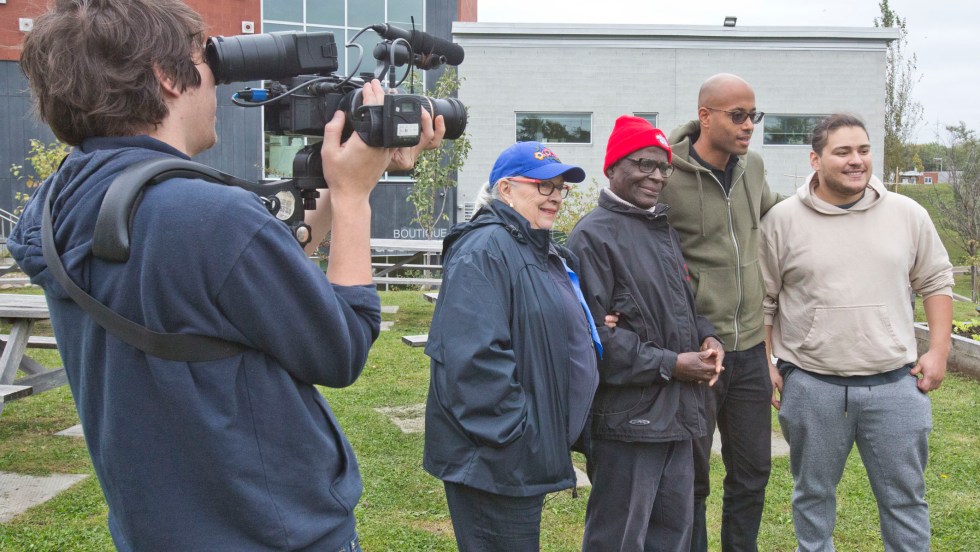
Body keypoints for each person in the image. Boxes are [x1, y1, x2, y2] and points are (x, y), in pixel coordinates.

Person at [9, 1, 443, 550]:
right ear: (167, 76)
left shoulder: (58, 205)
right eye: (205, 61)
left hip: (160, 526)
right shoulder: (207, 216)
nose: (214, 80)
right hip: (268, 530)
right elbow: (341, 347)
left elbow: (234, 280)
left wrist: (340, 182)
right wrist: (354, 199)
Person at [761, 113, 953, 552]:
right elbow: (764, 301)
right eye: (843, 151)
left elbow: (937, 282)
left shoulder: (908, 214)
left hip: (896, 385)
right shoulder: (782, 221)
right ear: (816, 158)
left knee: (905, 500)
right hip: (812, 385)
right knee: (812, 497)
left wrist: (939, 351)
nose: (856, 160)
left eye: (863, 150)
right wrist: (764, 361)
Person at [423, 141, 601, 551]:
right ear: (505, 189)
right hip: (497, 461)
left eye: (561, 187)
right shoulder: (484, 249)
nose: (555, 195)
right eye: (543, 186)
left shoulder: (537, 248)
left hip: (519, 457)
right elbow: (472, 360)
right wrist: (519, 435)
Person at [567, 115, 724, 551]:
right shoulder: (592, 237)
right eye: (643, 164)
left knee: (670, 537)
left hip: (676, 417)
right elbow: (590, 340)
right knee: (618, 540)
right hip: (628, 422)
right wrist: (672, 364)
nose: (655, 176)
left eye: (662, 167)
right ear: (612, 167)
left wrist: (708, 337)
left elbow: (681, 310)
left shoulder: (662, 230)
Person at [662, 73, 781, 552]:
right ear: (704, 116)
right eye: (738, 115)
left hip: (751, 350)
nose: (748, 124)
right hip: (697, 352)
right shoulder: (665, 174)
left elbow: (775, 213)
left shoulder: (752, 167)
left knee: (752, 473)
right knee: (692, 478)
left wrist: (832, 194)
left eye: (754, 115)